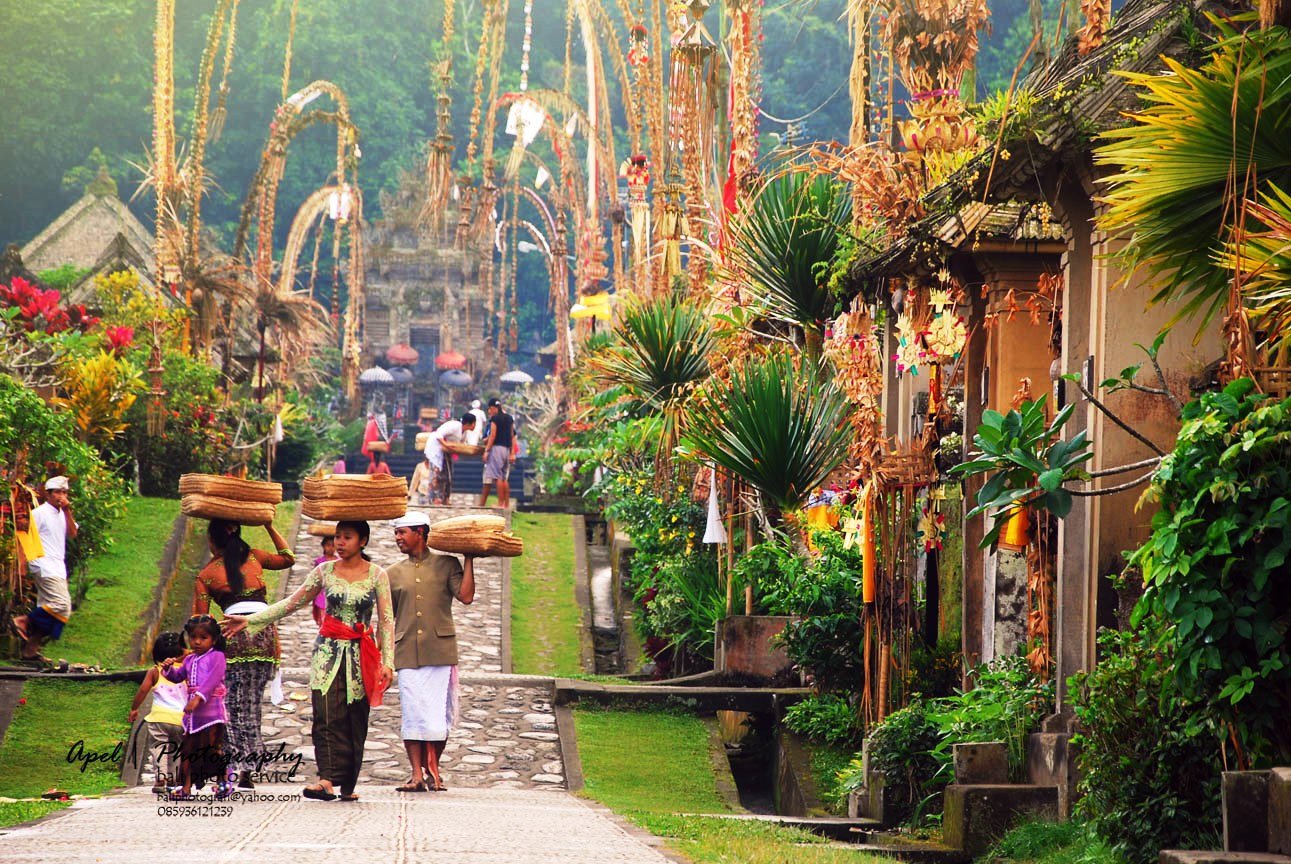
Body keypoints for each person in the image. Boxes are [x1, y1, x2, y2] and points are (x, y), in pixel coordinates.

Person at [222, 521, 395, 802]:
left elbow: (387, 621)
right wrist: (251, 620)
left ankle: (348, 784)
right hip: (326, 654)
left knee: (355, 719)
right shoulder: (324, 572)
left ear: (363, 541)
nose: (339, 542)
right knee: (325, 715)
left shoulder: (377, 575)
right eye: (337, 537)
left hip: (361, 655)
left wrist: (388, 663)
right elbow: (292, 602)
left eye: (347, 537)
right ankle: (326, 780)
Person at [194, 519, 295, 790]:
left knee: (232, 706)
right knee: (252, 705)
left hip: (233, 639)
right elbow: (288, 558)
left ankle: (238, 765)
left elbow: (199, 621)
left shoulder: (206, 574)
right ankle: (249, 765)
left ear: (212, 540)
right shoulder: (256, 557)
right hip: (265, 638)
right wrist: (270, 526)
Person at [387, 512, 475, 792]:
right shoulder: (392, 573)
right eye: (396, 533)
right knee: (412, 712)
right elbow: (385, 615)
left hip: (440, 651)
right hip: (406, 652)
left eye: (403, 532)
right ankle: (416, 774)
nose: (398, 538)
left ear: (421, 533)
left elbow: (466, 596)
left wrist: (469, 559)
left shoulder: (447, 564)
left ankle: (433, 768)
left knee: (438, 714)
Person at [161, 615, 229, 800]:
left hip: (212, 713)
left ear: (214, 639)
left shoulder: (217, 657)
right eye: (193, 637)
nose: (197, 642)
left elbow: (212, 681)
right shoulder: (189, 660)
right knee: (188, 750)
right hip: (193, 716)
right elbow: (177, 676)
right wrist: (168, 669)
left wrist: (198, 698)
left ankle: (223, 782)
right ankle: (185, 787)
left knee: (214, 748)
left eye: (203, 638)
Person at [11, 476, 78, 661]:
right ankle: (24, 620)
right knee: (62, 605)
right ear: (47, 494)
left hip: (58, 566)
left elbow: (73, 533)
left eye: (64, 492)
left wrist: (68, 511)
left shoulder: (64, 514)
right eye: (57, 492)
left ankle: (30, 650)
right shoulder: (39, 513)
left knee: (51, 610)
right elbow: (24, 536)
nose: (61, 496)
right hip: (44, 564)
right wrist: (24, 564)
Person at [128, 631, 187, 794]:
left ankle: (161, 778)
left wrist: (134, 708)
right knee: (177, 749)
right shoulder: (186, 670)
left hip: (159, 718)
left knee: (159, 747)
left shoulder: (154, 672)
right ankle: (173, 779)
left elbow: (142, 691)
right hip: (181, 719)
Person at [423, 413, 477, 505]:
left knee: (448, 475)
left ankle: (445, 498)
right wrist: (445, 444)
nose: (475, 426)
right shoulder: (454, 425)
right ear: (469, 423)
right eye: (474, 423)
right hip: (436, 449)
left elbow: (460, 445)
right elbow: (439, 433)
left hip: (446, 452)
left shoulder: (464, 432)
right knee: (436, 474)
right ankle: (434, 499)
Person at [479, 399, 517, 508]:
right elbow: (512, 435)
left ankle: (500, 503)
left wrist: (487, 451)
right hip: (506, 449)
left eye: (490, 409)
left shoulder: (495, 419)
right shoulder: (509, 418)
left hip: (497, 448)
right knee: (504, 478)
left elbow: (492, 435)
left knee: (498, 477)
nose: (490, 411)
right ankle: (506, 503)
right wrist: (512, 452)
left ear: (493, 408)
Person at [312, 533, 338, 628]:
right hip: (322, 593)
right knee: (323, 617)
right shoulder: (319, 562)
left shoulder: (339, 561)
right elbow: (315, 578)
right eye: (328, 545)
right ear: (323, 546)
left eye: (333, 545)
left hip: (335, 590)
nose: (330, 548)